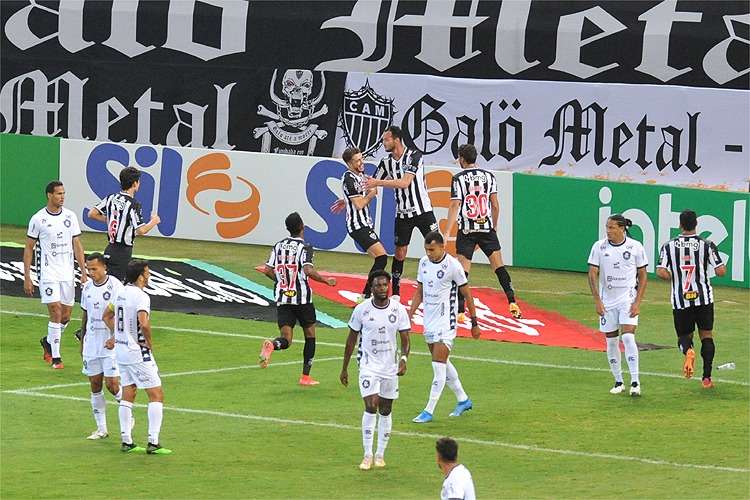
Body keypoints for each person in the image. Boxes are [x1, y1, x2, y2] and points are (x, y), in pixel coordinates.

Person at [340, 270, 410, 470]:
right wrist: (344, 368)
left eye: (384, 285)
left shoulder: (398, 310)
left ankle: (380, 454)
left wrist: (404, 359)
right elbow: (351, 339)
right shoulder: (362, 310)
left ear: (388, 286)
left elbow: (405, 339)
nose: (382, 289)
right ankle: (367, 454)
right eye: (378, 285)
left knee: (386, 410)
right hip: (368, 365)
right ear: (371, 288)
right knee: (371, 405)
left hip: (390, 367)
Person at [409, 232, 481, 423]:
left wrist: (474, 322)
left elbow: (467, 294)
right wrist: (409, 314)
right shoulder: (423, 263)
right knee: (441, 362)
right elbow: (420, 292)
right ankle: (463, 399)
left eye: (432, 249)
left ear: (442, 247)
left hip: (445, 322)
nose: (429, 253)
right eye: (426, 249)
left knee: (438, 367)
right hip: (429, 320)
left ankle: (429, 410)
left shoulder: (453, 266)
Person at [444, 144, 522, 320]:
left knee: (463, 271)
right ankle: (512, 302)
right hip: (486, 228)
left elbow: (455, 204)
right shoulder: (489, 176)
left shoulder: (458, 178)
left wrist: (447, 231)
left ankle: (461, 312)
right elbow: (495, 204)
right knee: (499, 267)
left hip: (467, 229)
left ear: (462, 159)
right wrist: (494, 226)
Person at [258, 212, 337, 385]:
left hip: (283, 298)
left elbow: (267, 269)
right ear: (302, 226)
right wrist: (325, 281)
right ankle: (305, 377)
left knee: (286, 339)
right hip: (302, 300)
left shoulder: (278, 245)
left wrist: (281, 281)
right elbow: (308, 270)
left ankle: (273, 344)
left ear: (288, 229)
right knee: (310, 335)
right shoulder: (306, 247)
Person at [103, 259, 171, 454]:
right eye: (147, 272)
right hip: (137, 352)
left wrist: (118, 336)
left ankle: (126, 440)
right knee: (156, 394)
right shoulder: (142, 297)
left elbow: (106, 316)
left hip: (122, 352)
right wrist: (149, 342)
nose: (149, 275)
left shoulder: (121, 292)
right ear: (141, 276)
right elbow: (144, 322)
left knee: (129, 392)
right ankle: (153, 441)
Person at [364, 125, 439, 298]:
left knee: (436, 247)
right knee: (400, 252)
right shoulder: (386, 162)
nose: (384, 143)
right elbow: (373, 185)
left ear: (396, 139)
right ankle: (396, 292)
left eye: (386, 139)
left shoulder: (414, 156)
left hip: (423, 212)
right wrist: (356, 197)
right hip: (403, 214)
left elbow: (405, 182)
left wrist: (378, 183)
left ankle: (441, 286)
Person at [656, 210, 726, 388]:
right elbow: (720, 271)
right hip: (703, 298)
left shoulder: (668, 246)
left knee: (683, 336)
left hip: (681, 299)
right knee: (706, 335)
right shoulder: (707, 244)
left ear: (680, 225)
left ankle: (688, 351)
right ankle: (707, 378)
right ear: (696, 224)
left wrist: (673, 275)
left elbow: (661, 271)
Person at [24, 180, 88, 369]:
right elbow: (29, 248)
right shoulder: (38, 219)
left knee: (66, 316)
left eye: (63, 193)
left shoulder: (70, 216)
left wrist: (83, 272)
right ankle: (57, 357)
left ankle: (48, 341)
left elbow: (77, 245)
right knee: (55, 311)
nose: (62, 197)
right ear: (49, 195)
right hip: (48, 272)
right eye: (58, 194)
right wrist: (27, 276)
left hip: (67, 273)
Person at [587, 214, 648, 396]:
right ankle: (618, 381)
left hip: (627, 299)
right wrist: (597, 300)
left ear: (622, 228)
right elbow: (592, 274)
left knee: (628, 338)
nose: (608, 231)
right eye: (607, 227)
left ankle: (635, 382)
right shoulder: (599, 246)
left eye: (612, 227)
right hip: (607, 301)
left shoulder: (635, 247)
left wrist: (637, 302)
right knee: (611, 341)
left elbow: (643, 276)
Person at [79, 253, 124, 439]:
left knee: (112, 385)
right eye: (88, 269)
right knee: (95, 385)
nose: (91, 273)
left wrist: (116, 337)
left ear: (104, 267)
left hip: (110, 343)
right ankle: (101, 429)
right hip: (92, 342)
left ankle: (127, 411)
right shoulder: (87, 288)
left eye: (94, 269)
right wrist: (82, 340)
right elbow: (85, 315)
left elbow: (121, 314)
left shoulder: (115, 286)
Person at [88, 166, 160, 281]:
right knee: (117, 286)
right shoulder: (133, 204)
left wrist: (110, 219)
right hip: (123, 252)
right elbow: (141, 230)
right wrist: (154, 221)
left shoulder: (111, 198)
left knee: (107, 282)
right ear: (135, 183)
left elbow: (92, 214)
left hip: (109, 248)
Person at [340, 146, 388, 300]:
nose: (361, 162)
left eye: (361, 158)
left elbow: (357, 196)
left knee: (379, 259)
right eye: (357, 161)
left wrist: (345, 201)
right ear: (349, 163)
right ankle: (366, 294)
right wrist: (372, 194)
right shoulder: (348, 178)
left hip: (364, 223)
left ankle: (367, 294)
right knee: (382, 257)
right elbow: (359, 204)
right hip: (357, 225)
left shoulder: (360, 176)